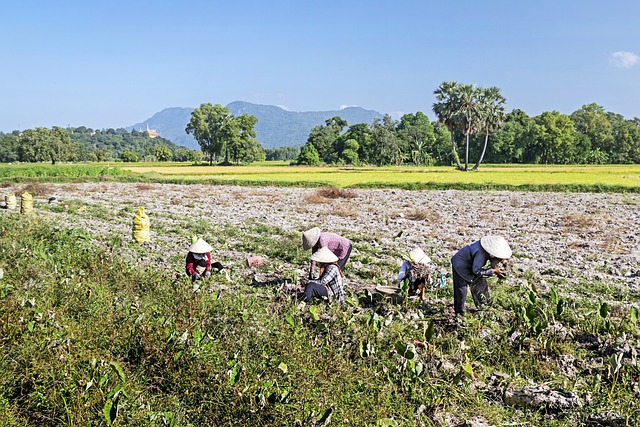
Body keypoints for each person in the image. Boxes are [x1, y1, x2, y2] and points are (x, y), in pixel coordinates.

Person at [451, 236, 512, 316]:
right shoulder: (481, 253)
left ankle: (485, 308)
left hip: (471, 264)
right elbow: (476, 271)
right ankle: (459, 314)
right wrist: (493, 271)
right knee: (462, 290)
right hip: (460, 265)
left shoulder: (486, 250)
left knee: (480, 285)